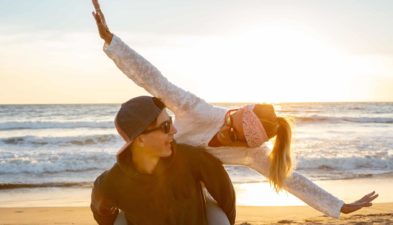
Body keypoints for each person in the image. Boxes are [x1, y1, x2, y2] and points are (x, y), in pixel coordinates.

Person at [91, 0, 378, 219]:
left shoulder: (252, 153)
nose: (228, 134)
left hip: (192, 189)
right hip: (150, 173)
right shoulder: (197, 111)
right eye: (231, 125)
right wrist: (112, 42)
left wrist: (338, 206)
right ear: (233, 115)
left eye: (234, 137)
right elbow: (153, 79)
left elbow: (291, 180)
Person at [91, 96, 236, 225]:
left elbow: (226, 197)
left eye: (170, 121)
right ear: (140, 139)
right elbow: (102, 212)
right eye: (165, 126)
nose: (174, 130)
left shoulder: (193, 159)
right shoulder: (112, 183)